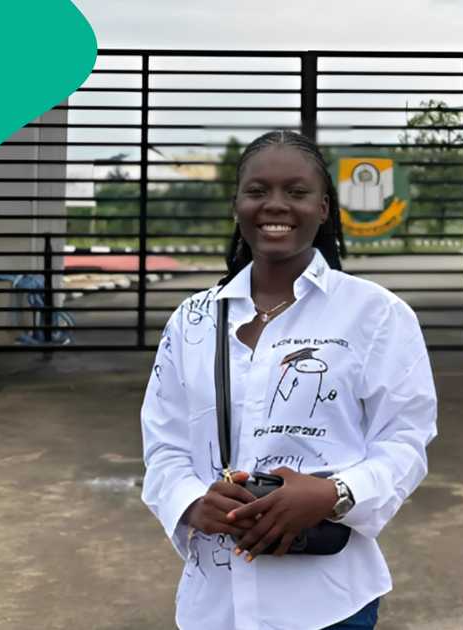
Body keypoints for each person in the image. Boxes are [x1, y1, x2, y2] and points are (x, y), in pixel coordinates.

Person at [140, 130, 437, 630]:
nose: (275, 205)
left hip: (329, 601)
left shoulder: (377, 315)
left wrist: (335, 493)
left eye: (296, 192)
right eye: (257, 191)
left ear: (323, 208)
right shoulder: (190, 321)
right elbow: (164, 444)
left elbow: (405, 441)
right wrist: (191, 502)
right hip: (215, 603)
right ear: (237, 204)